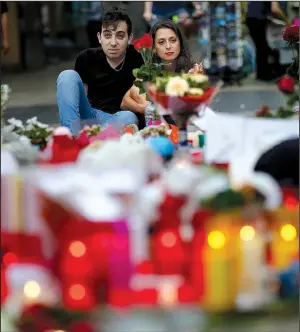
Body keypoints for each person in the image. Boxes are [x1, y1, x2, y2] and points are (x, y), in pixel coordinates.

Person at [56, 7, 148, 134]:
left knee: (129, 117)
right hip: (92, 116)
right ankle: (71, 137)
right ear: (99, 37)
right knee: (67, 76)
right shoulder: (87, 58)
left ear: (130, 38)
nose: (113, 42)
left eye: (120, 36)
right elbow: (77, 99)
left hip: (121, 119)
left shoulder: (138, 59)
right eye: (107, 35)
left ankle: (96, 136)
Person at [121, 19, 208, 125]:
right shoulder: (150, 71)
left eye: (173, 40)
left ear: (180, 42)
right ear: (154, 48)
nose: (168, 46)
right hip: (158, 128)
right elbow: (125, 102)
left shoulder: (191, 69)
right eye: (161, 42)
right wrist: (147, 109)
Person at [246, 1, 288, 81]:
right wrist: (287, 21)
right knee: (264, 48)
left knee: (260, 48)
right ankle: (274, 72)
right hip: (258, 19)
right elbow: (275, 9)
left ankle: (262, 74)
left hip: (251, 18)